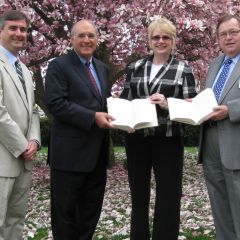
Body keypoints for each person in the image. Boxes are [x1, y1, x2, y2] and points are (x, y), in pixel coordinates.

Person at [119, 17, 199, 240]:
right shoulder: (135, 67)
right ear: (149, 40)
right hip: (138, 138)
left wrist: (167, 104)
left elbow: (193, 109)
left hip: (169, 139)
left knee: (169, 195)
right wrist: (125, 118)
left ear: (173, 41)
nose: (161, 41)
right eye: (156, 37)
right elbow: (126, 100)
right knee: (139, 195)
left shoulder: (184, 69)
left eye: (166, 37)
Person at [45, 19, 115, 240]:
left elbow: (102, 104)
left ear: (97, 39)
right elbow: (56, 104)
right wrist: (93, 117)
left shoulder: (102, 68)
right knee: (65, 216)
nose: (87, 40)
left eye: (91, 36)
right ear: (72, 39)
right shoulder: (59, 65)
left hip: (97, 156)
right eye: (82, 36)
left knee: (89, 215)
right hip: (69, 157)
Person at [198, 14, 240, 240]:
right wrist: (194, 106)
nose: (228, 37)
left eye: (233, 32)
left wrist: (231, 110)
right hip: (212, 146)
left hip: (236, 145)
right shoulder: (215, 64)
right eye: (223, 34)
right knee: (220, 209)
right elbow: (211, 98)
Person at [0, 10, 41, 240]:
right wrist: (22, 145)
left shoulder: (24, 69)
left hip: (24, 161)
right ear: (1, 31)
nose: (19, 34)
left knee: (15, 221)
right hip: (3, 158)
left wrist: (34, 140)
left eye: (24, 30)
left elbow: (33, 109)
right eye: (13, 28)